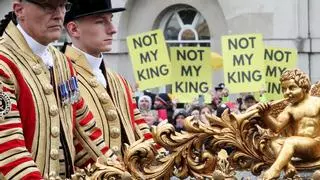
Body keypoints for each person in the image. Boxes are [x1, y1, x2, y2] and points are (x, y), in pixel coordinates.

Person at [0, 0, 117, 179]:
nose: (59, 14)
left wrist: (116, 170)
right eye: (48, 7)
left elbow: (86, 134)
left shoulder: (62, 63)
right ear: (19, 10)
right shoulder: (3, 63)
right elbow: (9, 149)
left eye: (63, 6)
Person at [63, 0, 163, 159]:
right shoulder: (60, 77)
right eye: (100, 22)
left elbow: (139, 127)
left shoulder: (119, 81)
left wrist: (160, 157)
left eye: (110, 20)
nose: (113, 29)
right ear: (74, 29)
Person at [257, 69, 320, 179]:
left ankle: (275, 170)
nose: (287, 93)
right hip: (297, 147)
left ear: (304, 87)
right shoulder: (289, 109)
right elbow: (277, 127)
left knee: (290, 141)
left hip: (316, 146)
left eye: (292, 88)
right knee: (274, 142)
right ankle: (288, 166)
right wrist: (265, 115)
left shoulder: (317, 103)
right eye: (284, 89)